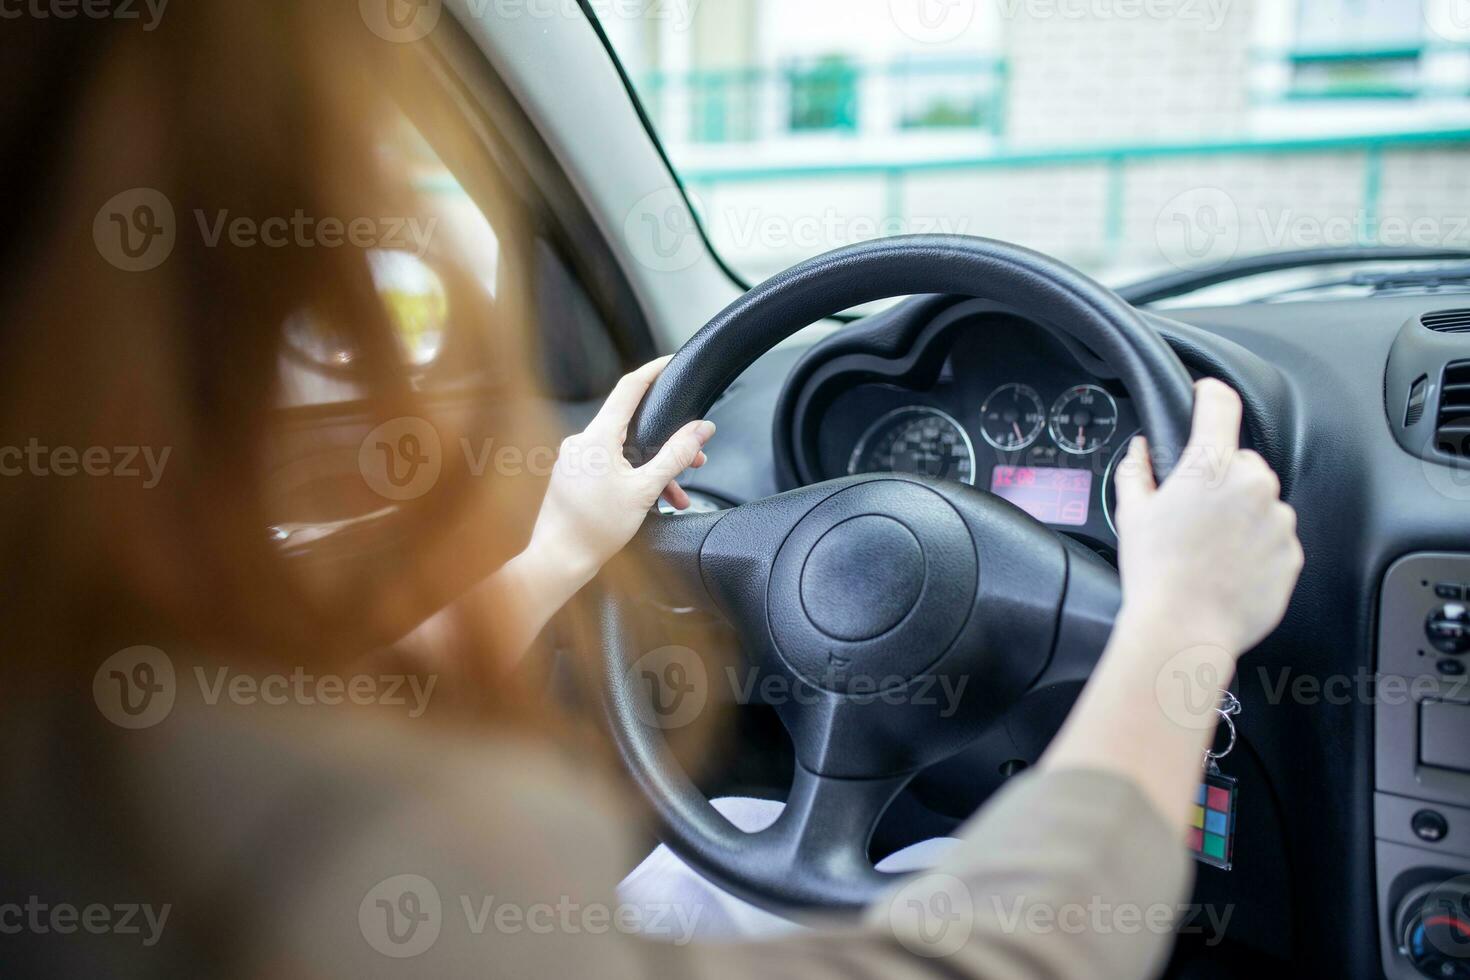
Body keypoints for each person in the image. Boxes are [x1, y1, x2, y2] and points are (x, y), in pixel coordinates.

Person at [0, 5, 1302, 978]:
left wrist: (564, 539)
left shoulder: (113, 766)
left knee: (732, 827)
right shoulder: (298, 851)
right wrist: (1177, 620)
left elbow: (345, 698)